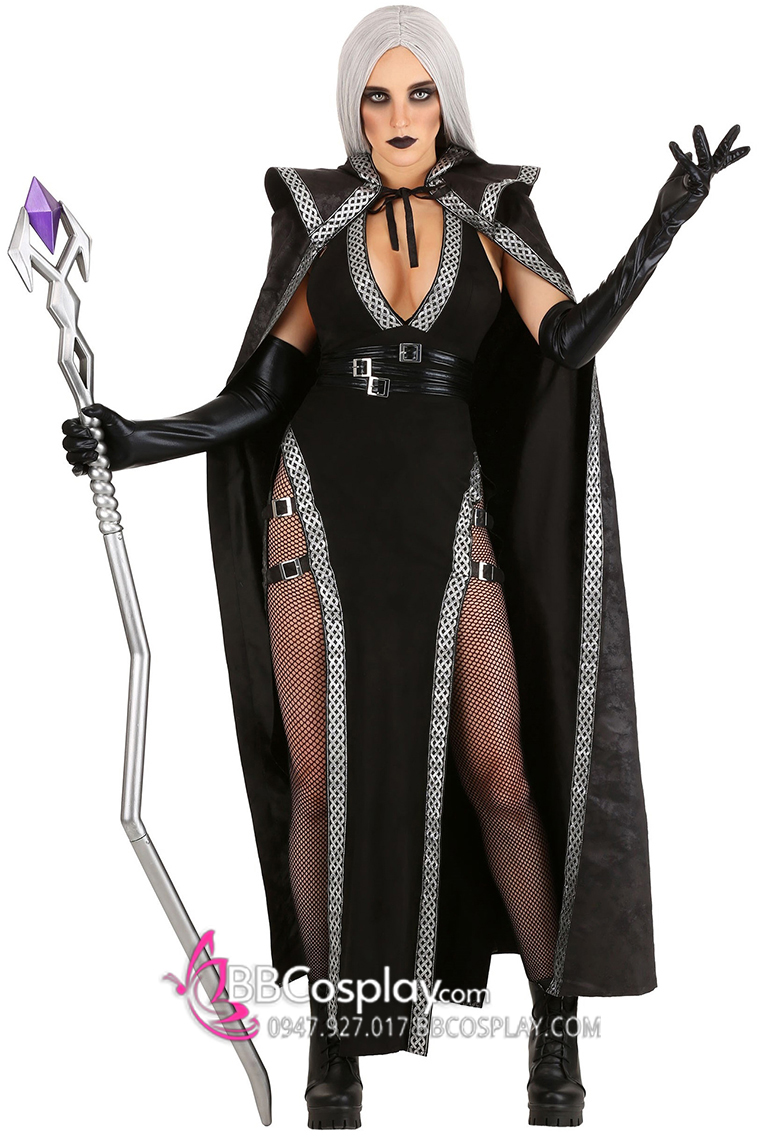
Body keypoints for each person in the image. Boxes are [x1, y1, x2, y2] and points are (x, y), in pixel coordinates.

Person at [61, 5, 748, 1128]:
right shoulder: (315, 213)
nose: (396, 116)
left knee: (501, 775)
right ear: (354, 108)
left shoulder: (494, 208)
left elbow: (566, 342)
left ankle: (555, 1022)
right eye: (376, 96)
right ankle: (335, 1034)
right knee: (318, 782)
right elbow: (262, 391)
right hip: (315, 509)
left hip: (448, 512)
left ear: (446, 103)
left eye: (417, 93)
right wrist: (136, 439)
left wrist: (660, 228)